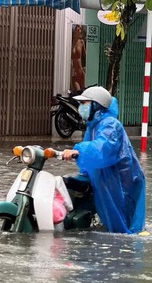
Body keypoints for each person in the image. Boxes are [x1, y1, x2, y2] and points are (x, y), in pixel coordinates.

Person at [61, 86, 146, 234]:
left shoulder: (111, 124)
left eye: (85, 103)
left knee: (125, 231)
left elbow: (102, 150)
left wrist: (78, 151)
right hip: (106, 182)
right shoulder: (92, 127)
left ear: (96, 105)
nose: (81, 107)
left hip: (122, 183)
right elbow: (90, 162)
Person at [71, 25, 87, 90]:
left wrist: (85, 68)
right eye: (77, 26)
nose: (78, 28)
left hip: (81, 71)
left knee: (82, 94)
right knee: (77, 92)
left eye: (80, 27)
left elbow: (85, 57)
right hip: (74, 72)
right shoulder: (70, 41)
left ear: (81, 31)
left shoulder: (81, 42)